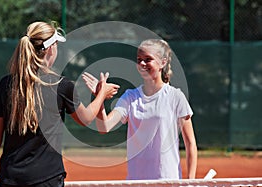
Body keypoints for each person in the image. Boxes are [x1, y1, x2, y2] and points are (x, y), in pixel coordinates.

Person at [0, 21, 119, 187]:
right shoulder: (61, 85)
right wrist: (101, 95)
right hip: (47, 178)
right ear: (50, 48)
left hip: (10, 178)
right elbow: (86, 119)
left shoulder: (5, 85)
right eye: (56, 44)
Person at [82, 39, 197, 180]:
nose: (142, 64)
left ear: (163, 62)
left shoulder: (175, 97)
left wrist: (191, 181)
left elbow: (190, 143)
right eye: (139, 60)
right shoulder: (130, 97)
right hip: (136, 180)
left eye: (148, 59)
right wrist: (100, 97)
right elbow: (104, 127)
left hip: (167, 179)